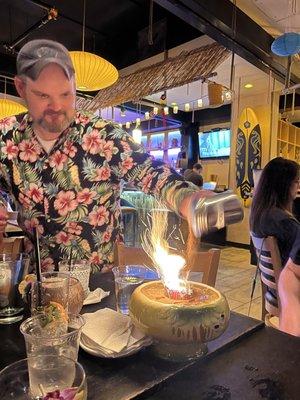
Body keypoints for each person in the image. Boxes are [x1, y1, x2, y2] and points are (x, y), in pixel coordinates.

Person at [0, 39, 210, 273]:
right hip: (38, 284)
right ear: (20, 88)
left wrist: (187, 198)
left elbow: (150, 170)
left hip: (100, 287)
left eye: (65, 94)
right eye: (42, 96)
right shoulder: (6, 137)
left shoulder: (102, 134)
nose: (57, 106)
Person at [250, 157, 300, 336]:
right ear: (285, 186)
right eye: (296, 181)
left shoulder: (258, 215)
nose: (298, 186)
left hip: (272, 293)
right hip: (290, 299)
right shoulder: (286, 223)